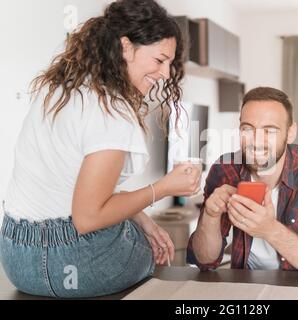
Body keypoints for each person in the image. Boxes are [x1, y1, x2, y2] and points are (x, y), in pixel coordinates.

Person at [0, 0, 201, 298]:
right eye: (160, 60)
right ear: (126, 47)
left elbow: (71, 189)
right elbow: (88, 218)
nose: (166, 74)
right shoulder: (113, 109)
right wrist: (163, 187)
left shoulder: (59, 89)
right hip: (74, 263)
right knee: (146, 246)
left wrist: (139, 214)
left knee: (137, 226)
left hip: (17, 259)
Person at [187, 87, 298, 281]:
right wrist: (210, 216)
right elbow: (203, 261)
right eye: (248, 129)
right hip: (246, 286)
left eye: (270, 131)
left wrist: (269, 229)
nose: (257, 141)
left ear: (290, 133)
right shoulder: (225, 170)